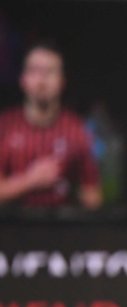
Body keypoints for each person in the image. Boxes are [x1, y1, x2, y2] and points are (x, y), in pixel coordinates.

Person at [0, 41, 102, 210]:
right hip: (10, 229)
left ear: (62, 81)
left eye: (50, 72)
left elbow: (93, 196)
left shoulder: (77, 130)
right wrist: (30, 180)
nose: (42, 80)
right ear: (23, 79)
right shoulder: (5, 127)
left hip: (61, 230)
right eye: (35, 71)